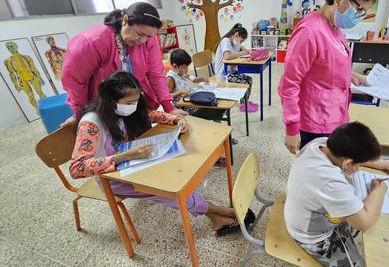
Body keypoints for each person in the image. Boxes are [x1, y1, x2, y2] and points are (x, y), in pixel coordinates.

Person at [69, 71, 254, 235]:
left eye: (136, 100)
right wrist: (124, 156)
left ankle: (215, 216)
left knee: (179, 175)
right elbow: (77, 168)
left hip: (134, 165)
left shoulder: (124, 109)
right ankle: (219, 212)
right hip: (114, 178)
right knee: (173, 189)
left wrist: (176, 120)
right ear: (111, 101)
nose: (133, 106)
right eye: (129, 103)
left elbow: (151, 114)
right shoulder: (91, 123)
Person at [278, 0, 381, 154]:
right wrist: (292, 128)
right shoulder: (310, 32)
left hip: (334, 116)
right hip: (314, 123)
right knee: (315, 174)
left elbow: (327, 65)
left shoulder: (334, 28)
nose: (359, 17)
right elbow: (289, 83)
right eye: (359, 10)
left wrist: (353, 75)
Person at [284, 122, 389, 267]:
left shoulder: (321, 143)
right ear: (347, 162)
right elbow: (364, 223)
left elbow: (353, 153)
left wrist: (387, 165)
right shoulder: (329, 182)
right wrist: (380, 191)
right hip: (312, 235)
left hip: (305, 213)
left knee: (360, 215)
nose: (358, 168)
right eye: (358, 165)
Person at [62, 2, 187, 125]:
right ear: (125, 20)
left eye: (148, 37)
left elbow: (156, 74)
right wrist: (80, 112)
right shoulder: (91, 43)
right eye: (140, 34)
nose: (142, 41)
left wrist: (169, 107)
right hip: (103, 107)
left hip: (132, 104)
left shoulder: (149, 39)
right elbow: (75, 82)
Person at [214, 23, 257, 112]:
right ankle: (243, 104)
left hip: (231, 72)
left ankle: (244, 102)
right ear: (236, 35)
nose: (241, 43)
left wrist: (241, 47)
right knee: (246, 81)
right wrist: (242, 52)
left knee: (249, 79)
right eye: (241, 41)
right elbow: (227, 56)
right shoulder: (226, 41)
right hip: (223, 74)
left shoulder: (235, 42)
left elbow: (246, 51)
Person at [4, 41, 46, 109]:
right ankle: (37, 109)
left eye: (11, 46)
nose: (10, 49)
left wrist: (40, 77)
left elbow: (34, 68)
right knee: (30, 95)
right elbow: (11, 74)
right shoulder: (8, 61)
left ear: (16, 46)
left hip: (32, 76)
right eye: (8, 47)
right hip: (22, 80)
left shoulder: (27, 57)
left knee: (40, 92)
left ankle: (47, 105)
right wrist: (16, 85)